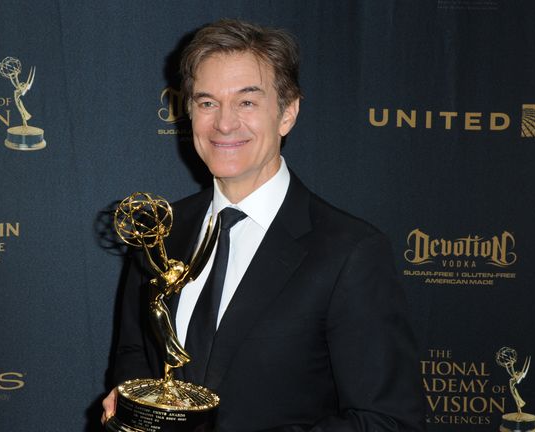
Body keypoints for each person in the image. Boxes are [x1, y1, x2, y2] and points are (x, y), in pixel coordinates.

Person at [102, 19, 426, 431]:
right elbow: (135, 352)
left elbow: (388, 422)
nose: (223, 123)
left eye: (247, 103)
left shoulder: (350, 252)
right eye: (206, 103)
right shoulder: (160, 230)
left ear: (287, 112)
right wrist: (134, 407)